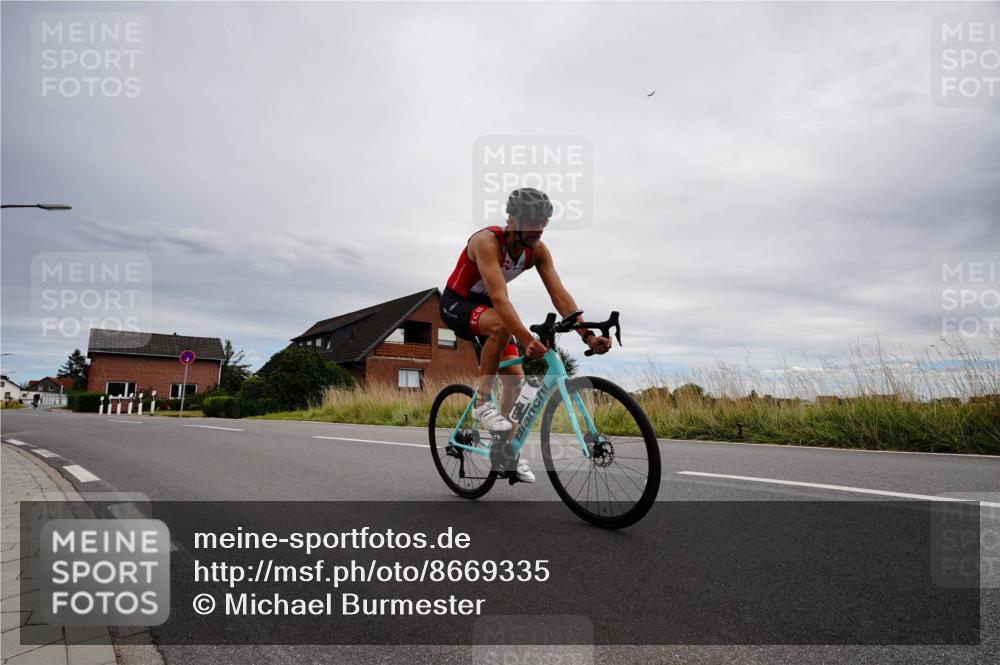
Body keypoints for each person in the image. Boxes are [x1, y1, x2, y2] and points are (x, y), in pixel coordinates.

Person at [440, 187, 612, 482]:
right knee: (502, 324)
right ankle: (482, 402)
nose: (539, 228)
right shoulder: (486, 241)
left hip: (491, 312)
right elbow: (499, 299)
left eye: (544, 221)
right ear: (511, 218)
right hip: (458, 303)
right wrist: (525, 338)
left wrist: (587, 335)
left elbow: (560, 295)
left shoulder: (538, 251)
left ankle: (503, 449)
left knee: (517, 380)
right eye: (533, 220)